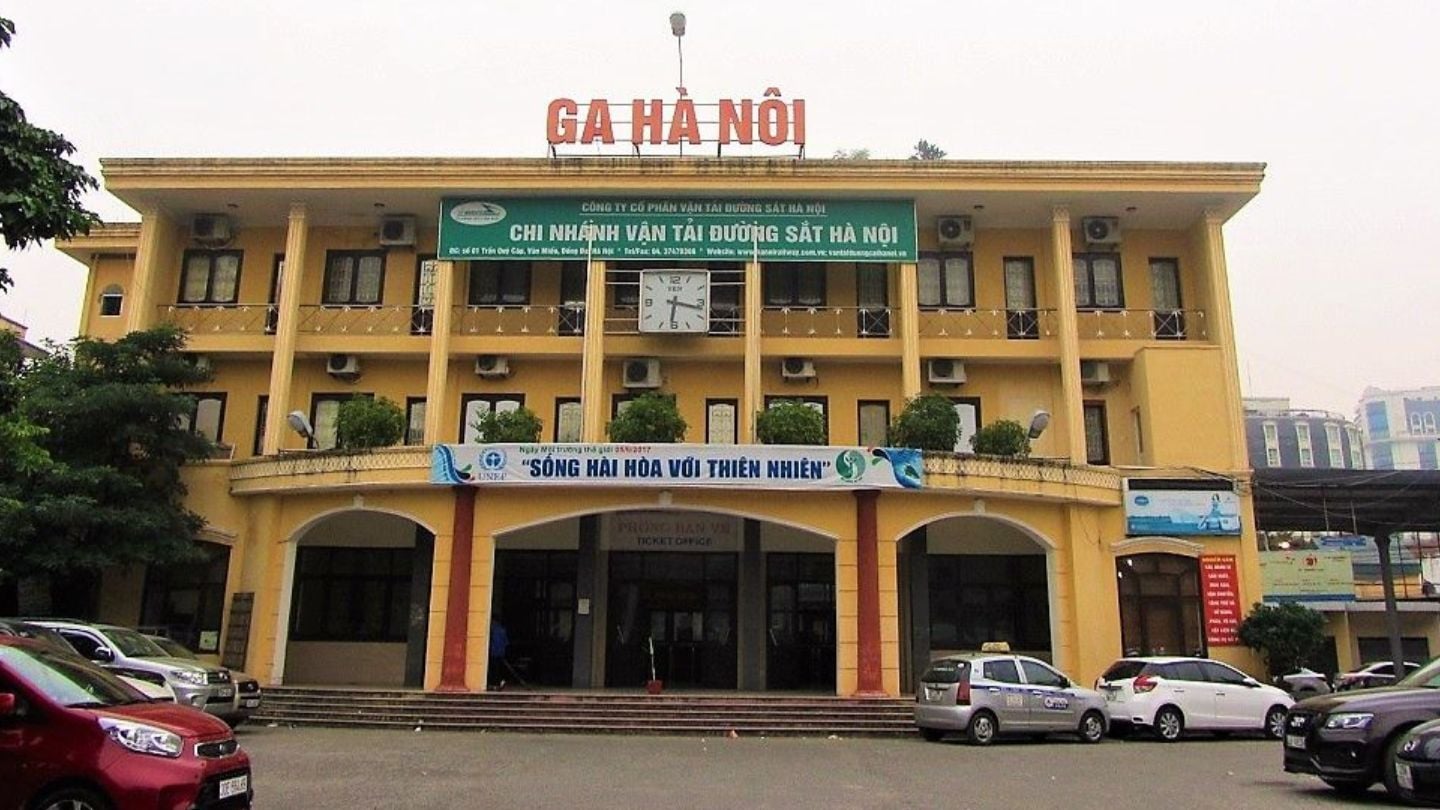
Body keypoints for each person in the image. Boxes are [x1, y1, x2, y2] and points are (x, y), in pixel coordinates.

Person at [489, 618, 509, 690]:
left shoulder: (491, 630)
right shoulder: (502, 630)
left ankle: (496, 683)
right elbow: (506, 643)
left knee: (493, 669)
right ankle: (498, 682)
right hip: (500, 653)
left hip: (493, 653)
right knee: (498, 669)